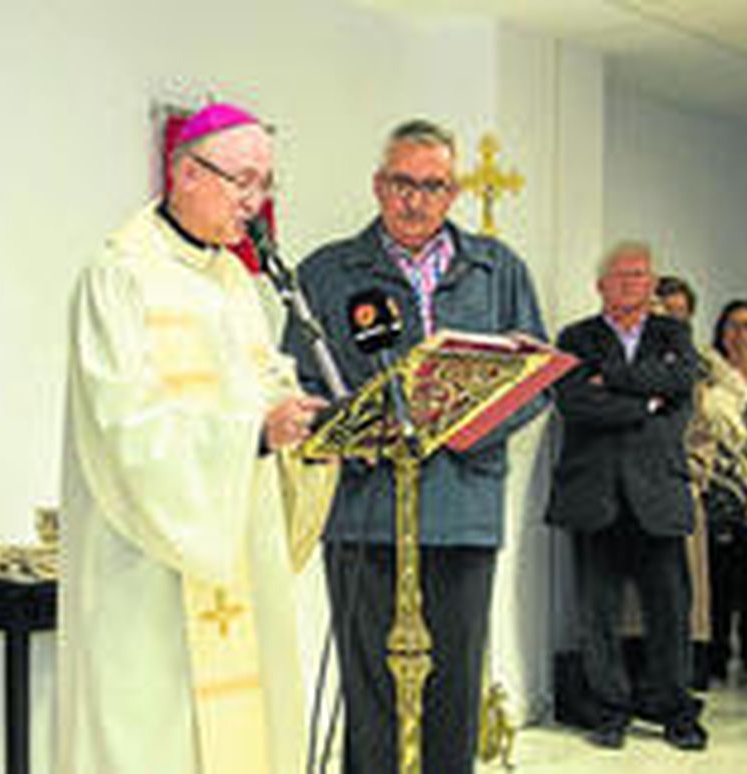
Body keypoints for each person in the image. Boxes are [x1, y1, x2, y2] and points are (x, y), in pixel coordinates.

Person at [57, 103, 326, 774]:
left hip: (235, 546)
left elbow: (263, 385)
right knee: (151, 739)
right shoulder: (119, 274)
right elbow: (122, 424)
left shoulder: (235, 280)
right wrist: (250, 437)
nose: (255, 203)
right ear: (184, 173)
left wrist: (303, 421)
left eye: (264, 184)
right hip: (145, 566)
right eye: (242, 181)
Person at [286, 118, 548, 773]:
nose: (416, 200)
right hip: (364, 513)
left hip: (462, 512)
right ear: (379, 185)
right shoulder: (327, 273)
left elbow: (536, 383)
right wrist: (348, 429)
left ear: (452, 193)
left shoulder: (497, 270)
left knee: (454, 690)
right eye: (403, 183)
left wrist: (466, 424)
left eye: (433, 186)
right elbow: (297, 383)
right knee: (370, 689)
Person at [548, 243, 707, 752]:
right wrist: (647, 403)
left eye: (640, 275)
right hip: (594, 494)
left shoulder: (673, 334)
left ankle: (675, 710)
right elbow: (575, 404)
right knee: (597, 612)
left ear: (652, 283)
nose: (630, 283)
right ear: (600, 285)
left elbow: (682, 382)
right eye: (620, 276)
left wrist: (613, 380)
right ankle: (609, 709)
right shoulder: (575, 337)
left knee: (670, 610)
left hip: (656, 492)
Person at [694, 300, 747, 681]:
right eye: (733, 326)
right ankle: (714, 656)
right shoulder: (710, 376)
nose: (740, 334)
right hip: (723, 486)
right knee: (719, 577)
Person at [650, 274, 714, 689]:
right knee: (634, 609)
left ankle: (676, 689)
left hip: (675, 495)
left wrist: (687, 476)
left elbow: (703, 441)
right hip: (626, 500)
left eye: (678, 316)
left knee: (679, 602)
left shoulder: (693, 377)